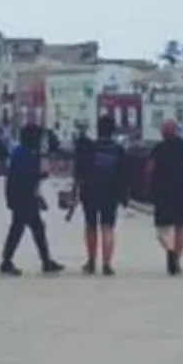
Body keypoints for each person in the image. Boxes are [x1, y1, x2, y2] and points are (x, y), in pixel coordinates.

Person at [0, 123, 63, 275]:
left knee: (32, 228)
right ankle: (8, 261)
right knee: (22, 229)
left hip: (19, 196)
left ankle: (44, 261)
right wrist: (38, 190)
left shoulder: (21, 152)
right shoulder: (26, 155)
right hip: (24, 198)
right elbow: (27, 178)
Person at [147, 116, 183, 276]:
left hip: (162, 192)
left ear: (163, 132)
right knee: (180, 227)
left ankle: (170, 252)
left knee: (161, 229)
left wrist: (148, 188)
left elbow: (149, 169)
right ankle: (176, 260)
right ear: (176, 131)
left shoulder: (158, 149)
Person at [78, 114, 130, 275]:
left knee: (91, 226)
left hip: (90, 190)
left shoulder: (90, 148)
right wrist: (124, 195)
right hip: (110, 191)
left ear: (98, 129)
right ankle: (107, 264)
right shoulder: (118, 149)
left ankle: (91, 262)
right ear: (112, 131)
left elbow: (80, 171)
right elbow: (124, 174)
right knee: (108, 226)